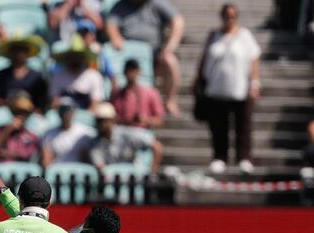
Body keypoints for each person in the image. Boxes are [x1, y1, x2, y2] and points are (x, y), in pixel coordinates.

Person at [193, 3, 261, 175]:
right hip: (216, 89)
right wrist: (198, 80)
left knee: (243, 125)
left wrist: (254, 83)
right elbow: (205, 58)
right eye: (226, 16)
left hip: (240, 88)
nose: (229, 19)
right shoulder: (214, 36)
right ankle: (219, 157)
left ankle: (244, 158)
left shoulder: (245, 36)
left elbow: (254, 60)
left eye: (232, 16)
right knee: (218, 126)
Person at [106, 0, 185, 116]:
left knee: (170, 60)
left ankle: (170, 100)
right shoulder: (120, 5)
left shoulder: (158, 3)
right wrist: (115, 37)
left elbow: (178, 21)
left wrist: (170, 46)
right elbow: (111, 24)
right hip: (128, 56)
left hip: (155, 55)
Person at [85, 102, 163, 174]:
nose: (102, 124)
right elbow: (100, 167)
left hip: (133, 180)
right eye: (99, 121)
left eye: (105, 120)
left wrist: (152, 171)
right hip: (113, 183)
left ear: (113, 120)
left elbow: (156, 146)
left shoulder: (127, 134)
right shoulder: (95, 143)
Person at [0, 35, 48, 113]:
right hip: (6, 114)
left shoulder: (36, 77)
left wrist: (27, 109)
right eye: (15, 50)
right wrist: (12, 104)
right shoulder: (1, 75)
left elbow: (42, 103)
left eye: (21, 50)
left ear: (27, 53)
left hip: (30, 116)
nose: (18, 54)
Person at [49, 34, 105, 111]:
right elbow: (54, 102)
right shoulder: (57, 76)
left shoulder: (94, 76)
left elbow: (95, 105)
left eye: (78, 56)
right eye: (72, 56)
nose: (75, 60)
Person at [111, 58, 165, 129]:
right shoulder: (117, 94)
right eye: (129, 70)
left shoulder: (151, 93)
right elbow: (111, 117)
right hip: (121, 131)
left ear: (139, 72)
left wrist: (146, 120)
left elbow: (159, 119)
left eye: (134, 70)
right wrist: (125, 120)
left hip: (141, 132)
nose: (131, 73)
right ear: (124, 72)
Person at [0, 95, 41, 165]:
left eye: (24, 113)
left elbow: (28, 155)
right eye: (17, 112)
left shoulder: (31, 135)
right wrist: (8, 130)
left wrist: (9, 154)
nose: (20, 115)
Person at [41, 97, 95, 166]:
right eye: (62, 109)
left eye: (69, 109)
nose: (66, 113)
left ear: (74, 111)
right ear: (58, 111)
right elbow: (46, 162)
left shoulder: (85, 132)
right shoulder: (49, 134)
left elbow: (87, 160)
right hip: (57, 173)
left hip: (79, 173)